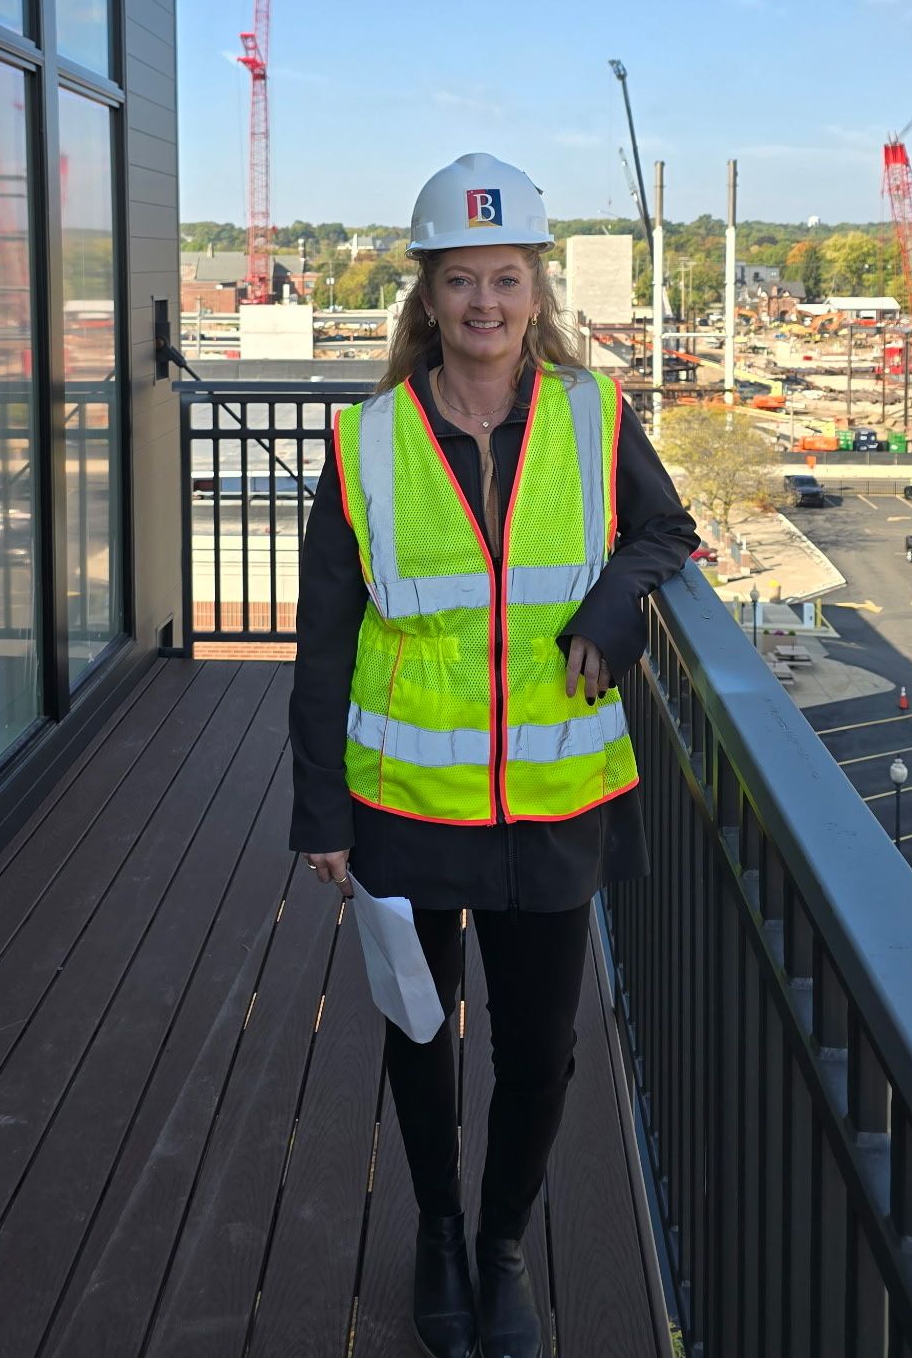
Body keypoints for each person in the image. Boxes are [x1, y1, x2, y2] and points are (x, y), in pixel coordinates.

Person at [289, 153, 698, 1358]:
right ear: (426, 295)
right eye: (460, 280)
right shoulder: (366, 442)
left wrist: (620, 602)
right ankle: (438, 1227)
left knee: (540, 1049)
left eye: (506, 279)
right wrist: (322, 811)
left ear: (537, 290)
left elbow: (666, 527)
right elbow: (323, 639)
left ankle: (503, 1239)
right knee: (421, 1034)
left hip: (556, 802)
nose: (484, 303)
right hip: (407, 802)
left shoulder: (592, 413)